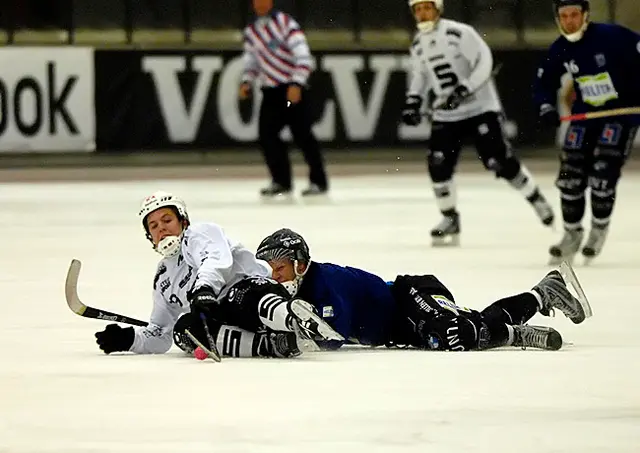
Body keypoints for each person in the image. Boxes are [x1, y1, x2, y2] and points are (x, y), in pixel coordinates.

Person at [256, 228, 593, 352]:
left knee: (456, 332)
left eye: (279, 268)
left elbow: (334, 334)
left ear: (300, 263)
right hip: (398, 327)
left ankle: (521, 330)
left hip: (410, 297)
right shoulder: (299, 292)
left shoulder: (323, 283)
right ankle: (543, 295)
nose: (275, 277)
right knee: (468, 329)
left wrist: (297, 334)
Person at [94, 192, 342, 359]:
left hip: (255, 294)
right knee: (186, 329)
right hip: (230, 320)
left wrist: (203, 290)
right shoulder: (162, 278)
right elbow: (160, 335)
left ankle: (295, 321)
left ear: (183, 221)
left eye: (167, 219)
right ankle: (275, 345)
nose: (162, 228)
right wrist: (128, 339)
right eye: (154, 226)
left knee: (238, 295)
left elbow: (216, 261)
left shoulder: (199, 233)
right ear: (149, 236)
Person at [401, 0, 554, 246]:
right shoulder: (418, 44)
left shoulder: (459, 33)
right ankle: (449, 217)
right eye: (417, 9)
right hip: (447, 114)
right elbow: (420, 77)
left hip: (480, 109)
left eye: (426, 7)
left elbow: (484, 62)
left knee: (498, 161)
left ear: (438, 8)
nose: (422, 14)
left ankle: (534, 197)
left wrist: (465, 89)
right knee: (438, 164)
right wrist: (413, 102)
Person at [533, 0, 640, 264]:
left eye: (574, 15)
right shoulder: (561, 47)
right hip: (584, 115)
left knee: (603, 174)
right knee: (570, 174)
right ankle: (572, 233)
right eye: (564, 16)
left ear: (585, 15)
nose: (569, 21)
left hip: (620, 115)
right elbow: (543, 82)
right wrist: (546, 106)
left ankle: (599, 229)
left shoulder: (613, 37)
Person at [239, 0, 329, 198]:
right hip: (270, 92)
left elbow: (303, 57)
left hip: (290, 91)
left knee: (303, 135)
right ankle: (281, 181)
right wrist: (247, 81)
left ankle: (318, 181)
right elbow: (251, 61)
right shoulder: (252, 31)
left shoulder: (286, 24)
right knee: (267, 136)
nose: (259, 4)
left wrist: (297, 83)